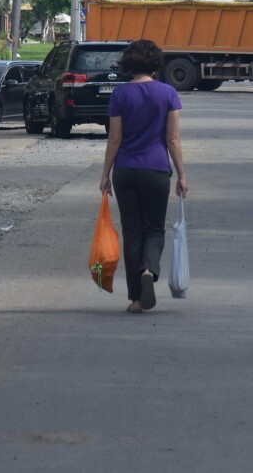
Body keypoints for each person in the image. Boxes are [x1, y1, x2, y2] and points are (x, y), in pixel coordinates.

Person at [98, 39, 188, 314]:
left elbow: (114, 138)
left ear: (129, 63)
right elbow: (172, 139)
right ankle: (149, 268)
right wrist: (182, 175)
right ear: (156, 64)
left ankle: (136, 299)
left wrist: (105, 174)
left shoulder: (120, 95)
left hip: (125, 170)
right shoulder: (168, 93)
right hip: (156, 170)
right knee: (154, 229)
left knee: (132, 232)